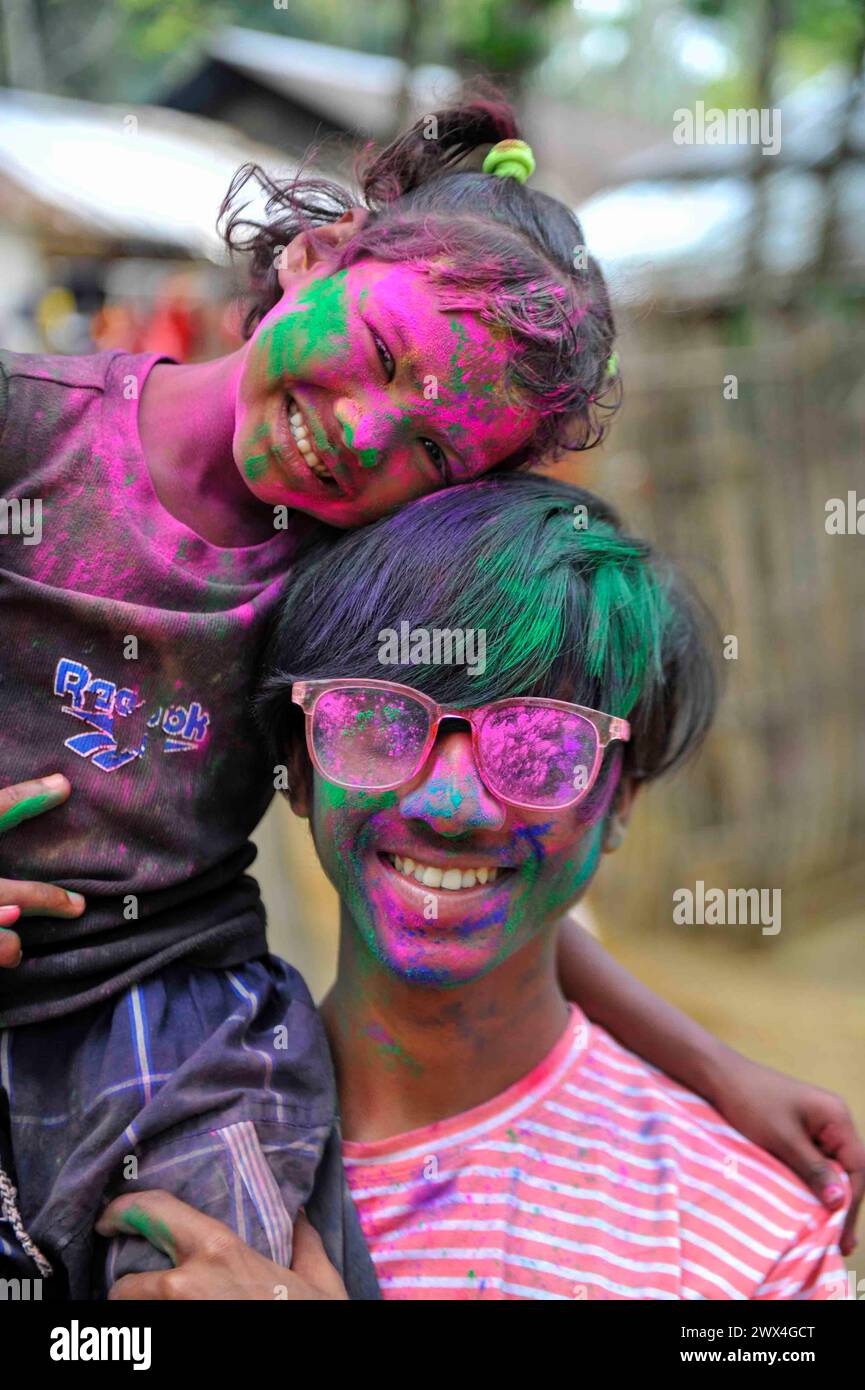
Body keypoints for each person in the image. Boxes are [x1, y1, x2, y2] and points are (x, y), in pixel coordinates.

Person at [0, 96, 860, 1297]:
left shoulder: (337, 584)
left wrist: (718, 1072)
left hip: (173, 1021)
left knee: (215, 1268)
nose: (357, 430)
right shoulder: (30, 434)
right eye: (391, 355)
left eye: (436, 450)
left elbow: (494, 865)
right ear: (319, 251)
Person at [99, 475, 851, 1300]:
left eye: (537, 742)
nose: (449, 805)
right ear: (301, 769)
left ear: (620, 798)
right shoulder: (148, 1147)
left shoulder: (752, 1245)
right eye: (376, 720)